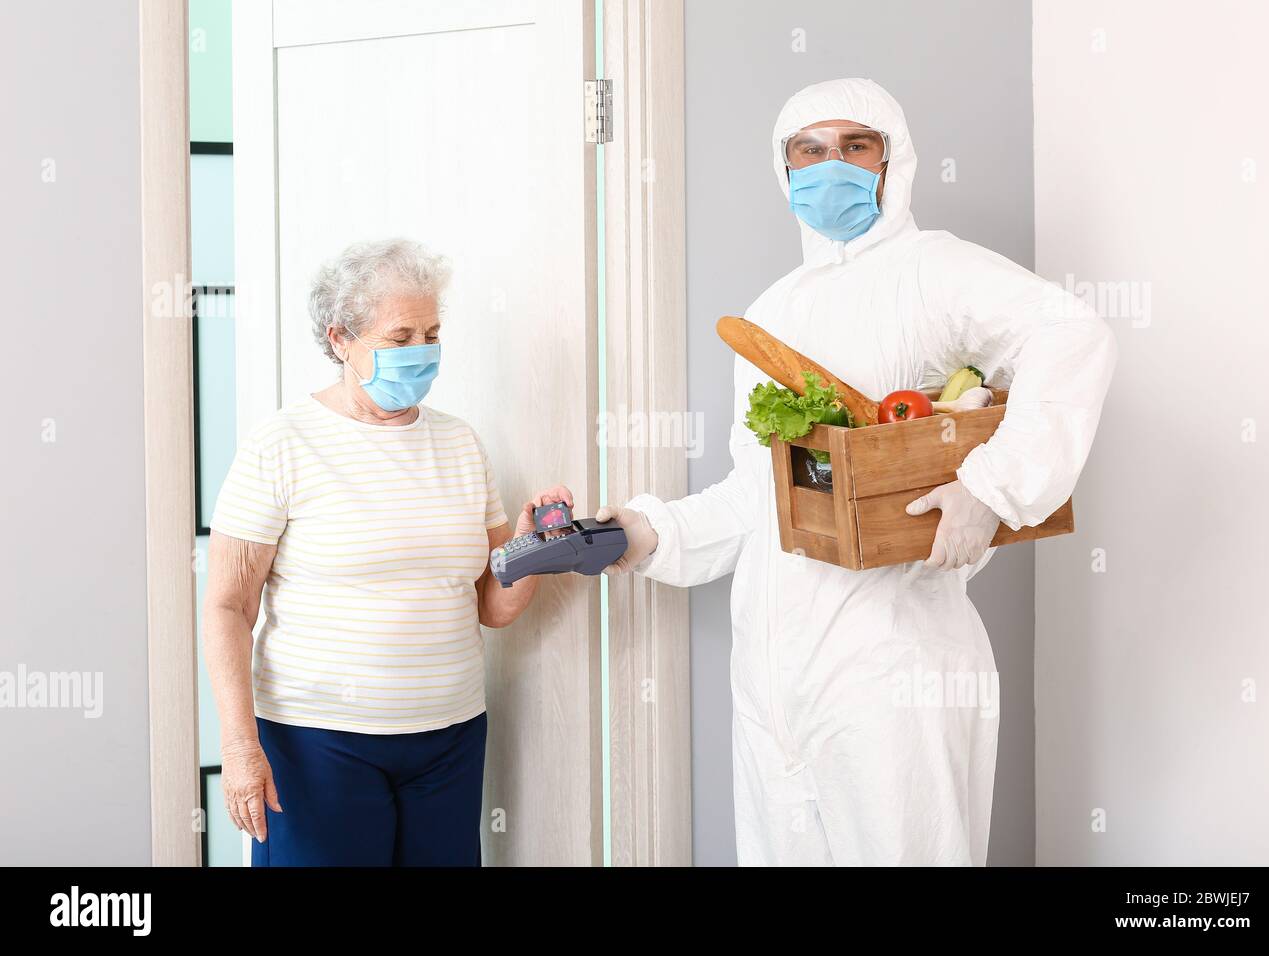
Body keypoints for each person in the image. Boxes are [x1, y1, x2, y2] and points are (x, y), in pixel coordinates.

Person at [597, 78, 1117, 865]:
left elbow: (1070, 333)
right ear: (784, 167)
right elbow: (759, 494)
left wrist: (990, 486)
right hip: (775, 678)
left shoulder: (931, 270)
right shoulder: (770, 312)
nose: (829, 164)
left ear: (891, 160)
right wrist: (647, 533)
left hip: (893, 669)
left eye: (854, 145)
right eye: (809, 149)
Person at [202, 238, 571, 866]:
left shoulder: (459, 443)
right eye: (400, 337)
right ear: (340, 336)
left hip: (449, 738)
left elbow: (491, 605)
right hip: (317, 744)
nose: (421, 352)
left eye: (431, 333)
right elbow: (227, 608)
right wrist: (239, 746)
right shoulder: (282, 444)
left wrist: (532, 549)